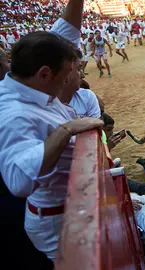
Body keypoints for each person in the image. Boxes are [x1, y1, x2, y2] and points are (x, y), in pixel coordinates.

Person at [0, 0, 105, 260]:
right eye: (69, 72)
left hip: (68, 206)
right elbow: (17, 180)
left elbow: (66, 30)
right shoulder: (13, 114)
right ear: (45, 74)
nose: (74, 79)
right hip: (56, 220)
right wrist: (66, 129)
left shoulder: (35, 73)